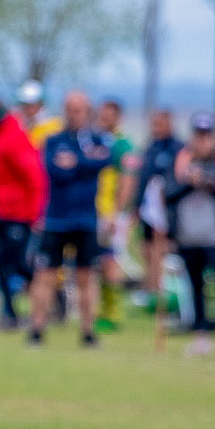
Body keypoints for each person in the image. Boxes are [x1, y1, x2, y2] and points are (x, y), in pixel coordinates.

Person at [29, 90, 124, 347]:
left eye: (79, 109)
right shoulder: (53, 140)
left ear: (88, 111)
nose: (74, 114)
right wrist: (83, 164)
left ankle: (88, 331)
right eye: (70, 108)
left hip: (86, 220)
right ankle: (37, 329)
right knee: (46, 275)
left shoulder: (97, 139)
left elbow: (105, 160)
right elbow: (54, 169)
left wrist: (77, 162)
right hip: (56, 219)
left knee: (86, 276)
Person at [163, 112, 215, 355]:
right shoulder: (181, 161)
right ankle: (201, 333)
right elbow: (168, 193)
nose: (202, 140)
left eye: (206, 135)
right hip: (188, 236)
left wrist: (212, 183)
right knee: (195, 286)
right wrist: (189, 182)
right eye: (198, 135)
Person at [0, 97, 46, 331]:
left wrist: (36, 213)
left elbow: (34, 176)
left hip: (19, 214)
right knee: (0, 265)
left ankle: (49, 302)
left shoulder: (14, 137)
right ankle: (10, 313)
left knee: (19, 265)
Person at [92, 98, 137, 334]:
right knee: (97, 262)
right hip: (93, 212)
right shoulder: (96, 140)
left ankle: (112, 312)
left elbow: (128, 181)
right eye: (101, 115)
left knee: (111, 260)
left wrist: (118, 214)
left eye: (108, 115)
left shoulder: (122, 145)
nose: (103, 119)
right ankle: (99, 309)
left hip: (111, 215)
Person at [134, 109, 183, 307]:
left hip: (168, 209)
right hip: (148, 209)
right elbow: (142, 178)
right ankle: (149, 287)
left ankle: (162, 289)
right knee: (145, 248)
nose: (156, 128)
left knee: (161, 249)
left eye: (160, 124)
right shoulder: (150, 148)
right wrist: (137, 205)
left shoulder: (178, 148)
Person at [17, 80, 61, 148]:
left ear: (40, 104)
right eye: (25, 104)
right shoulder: (20, 124)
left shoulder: (54, 126)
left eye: (31, 104)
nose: (27, 108)